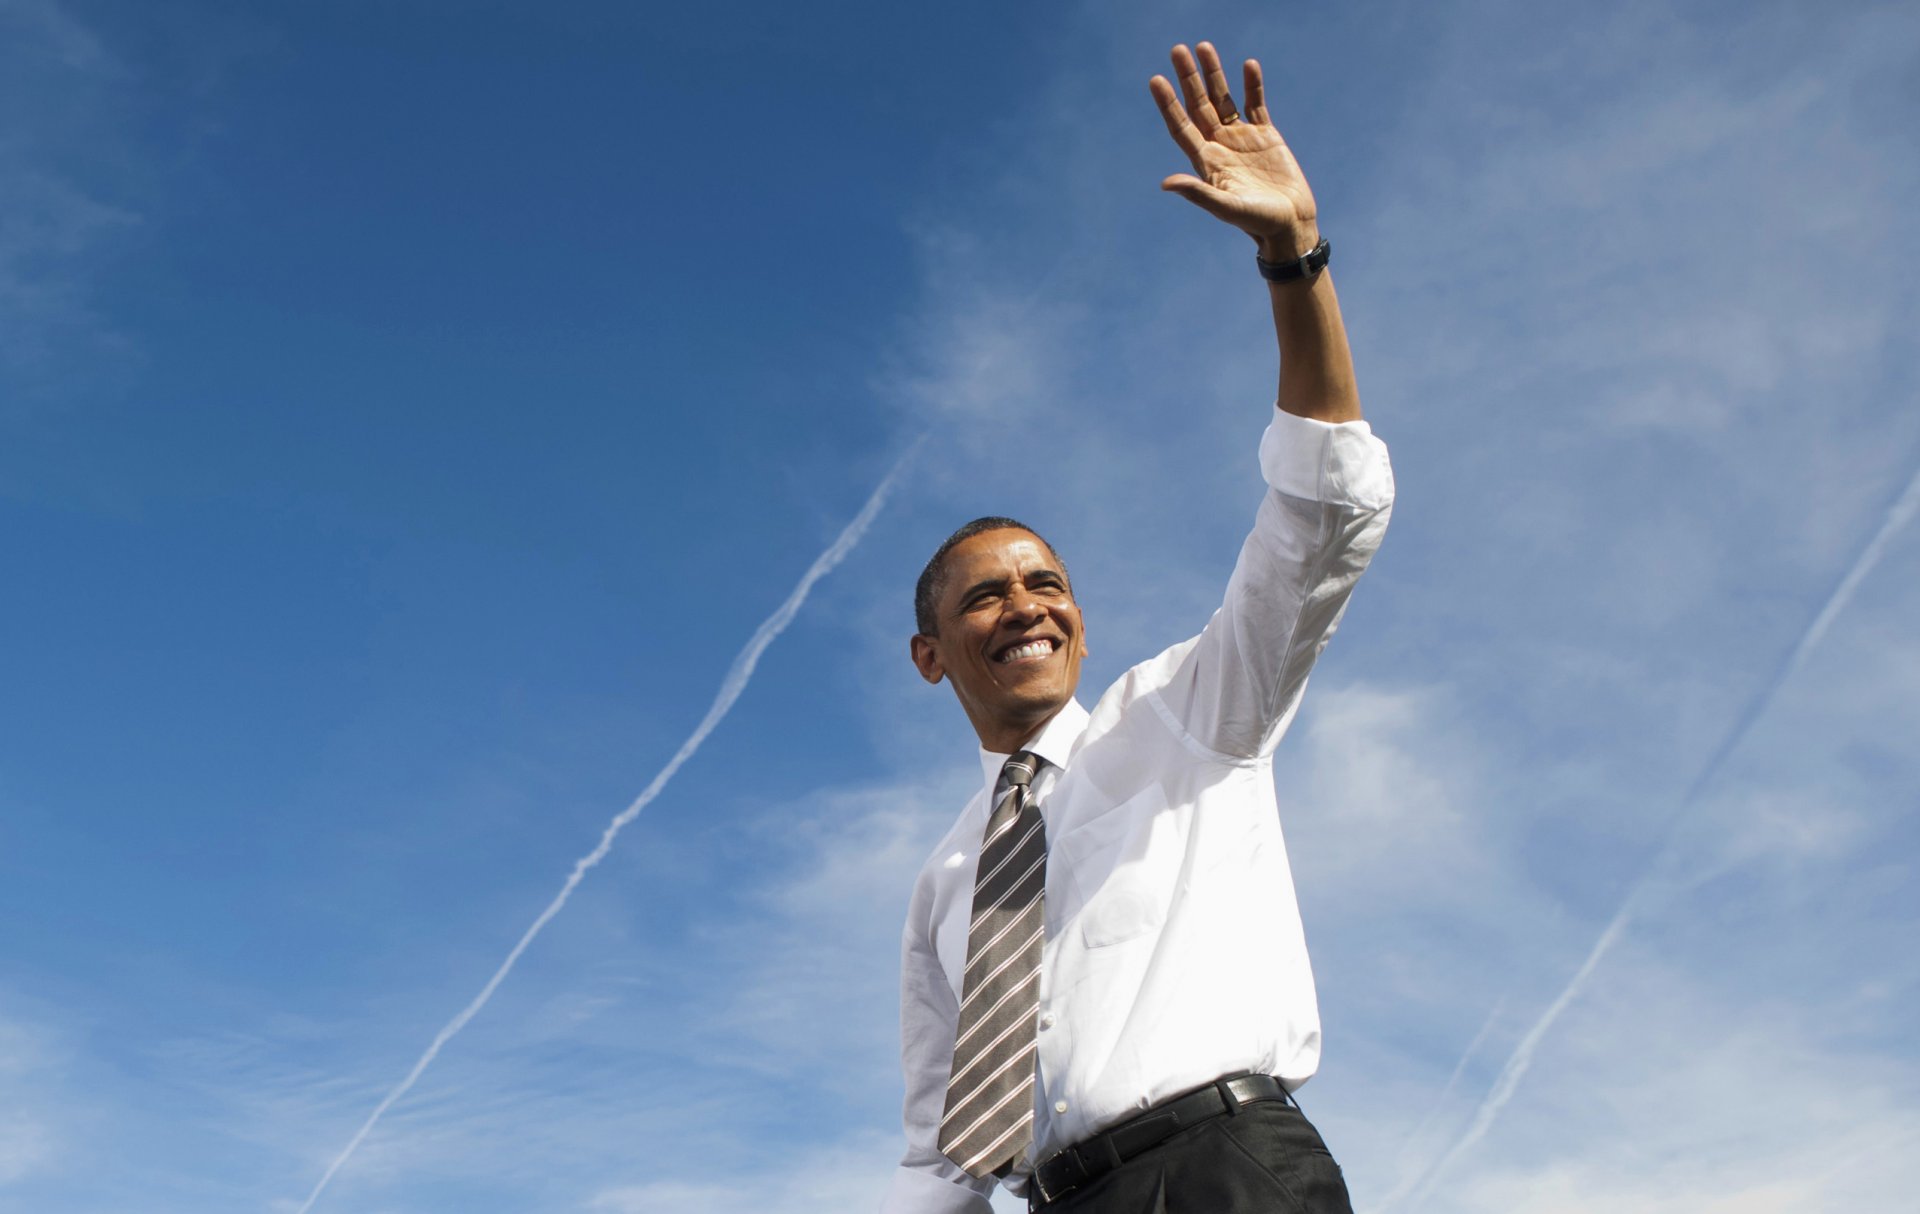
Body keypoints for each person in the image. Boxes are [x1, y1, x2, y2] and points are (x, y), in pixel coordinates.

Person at [882, 41, 1395, 1214]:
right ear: (931, 654)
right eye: (986, 594)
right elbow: (938, 1149)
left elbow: (1322, 515)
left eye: (1046, 582)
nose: (1028, 605)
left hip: (1229, 1172)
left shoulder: (1188, 712)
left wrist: (1292, 259)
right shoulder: (943, 881)